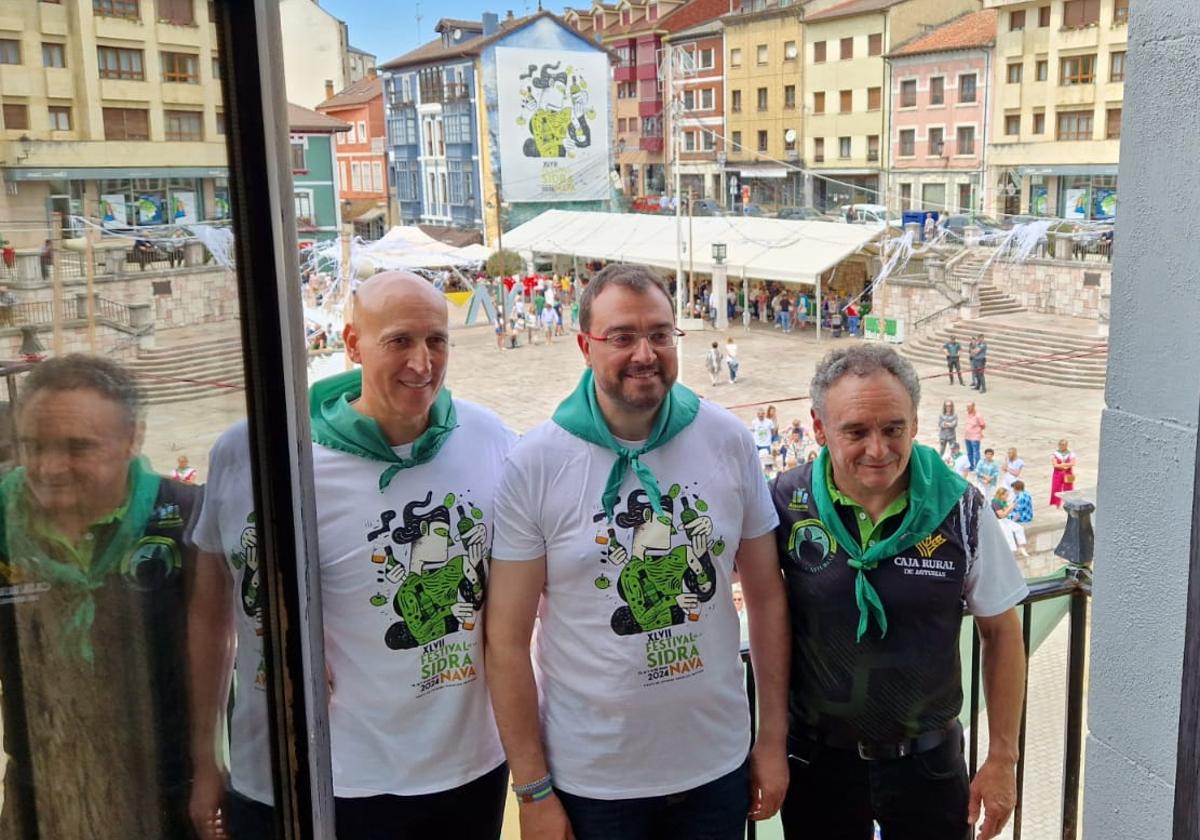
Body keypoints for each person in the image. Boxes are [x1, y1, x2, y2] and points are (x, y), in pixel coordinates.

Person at [486, 263, 790, 840]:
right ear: (585, 346)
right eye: (621, 336)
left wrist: (771, 737)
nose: (644, 353)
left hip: (715, 765)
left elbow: (767, 597)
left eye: (660, 333)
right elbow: (505, 640)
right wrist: (532, 789)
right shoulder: (537, 463)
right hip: (593, 780)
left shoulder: (727, 440)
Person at [771, 344, 1028, 840]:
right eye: (856, 431)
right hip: (817, 762)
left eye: (893, 428)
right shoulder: (786, 502)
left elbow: (1001, 634)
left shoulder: (961, 509)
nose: (878, 449)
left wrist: (1002, 759)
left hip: (927, 764)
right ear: (819, 427)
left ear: (914, 423)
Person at [311, 272, 516, 838]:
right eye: (399, 341)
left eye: (437, 341)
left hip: (477, 759)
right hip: (359, 773)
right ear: (353, 344)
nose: (422, 364)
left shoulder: (490, 438)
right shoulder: (302, 466)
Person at [0, 355, 201, 839]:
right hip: (41, 786)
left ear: (133, 439)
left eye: (78, 448)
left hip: (167, 788)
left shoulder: (188, 517)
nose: (49, 467)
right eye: (33, 446)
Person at [187, 421, 276, 839]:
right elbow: (210, 615)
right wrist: (207, 763)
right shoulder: (236, 450)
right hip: (262, 772)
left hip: (396, 780)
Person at [992, 493, 1030, 559]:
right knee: (1008, 533)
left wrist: (1014, 512)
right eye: (1006, 495)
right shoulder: (995, 503)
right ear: (1001, 495)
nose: (1007, 497)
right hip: (999, 521)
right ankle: (1011, 552)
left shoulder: (1003, 502)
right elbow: (1001, 515)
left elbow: (1007, 514)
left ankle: (1021, 547)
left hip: (1005, 520)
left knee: (1019, 528)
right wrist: (1010, 507)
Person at [1050, 439, 1077, 508]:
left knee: (1069, 488)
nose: (1062, 446)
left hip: (1069, 473)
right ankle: (1056, 503)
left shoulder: (1071, 454)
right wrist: (1065, 465)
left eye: (1064, 445)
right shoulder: (1055, 454)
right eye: (1061, 444)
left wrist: (1064, 465)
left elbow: (1073, 463)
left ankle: (1069, 502)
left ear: (1067, 445)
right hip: (1057, 473)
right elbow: (1055, 465)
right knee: (1056, 487)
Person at [964, 401, 986, 471]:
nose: (967, 408)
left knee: (976, 453)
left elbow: (983, 425)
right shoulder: (967, 414)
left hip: (975, 437)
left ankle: (977, 467)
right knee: (969, 452)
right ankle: (971, 466)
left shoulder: (978, 416)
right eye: (967, 407)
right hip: (967, 436)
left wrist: (977, 431)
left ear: (973, 407)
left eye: (969, 407)